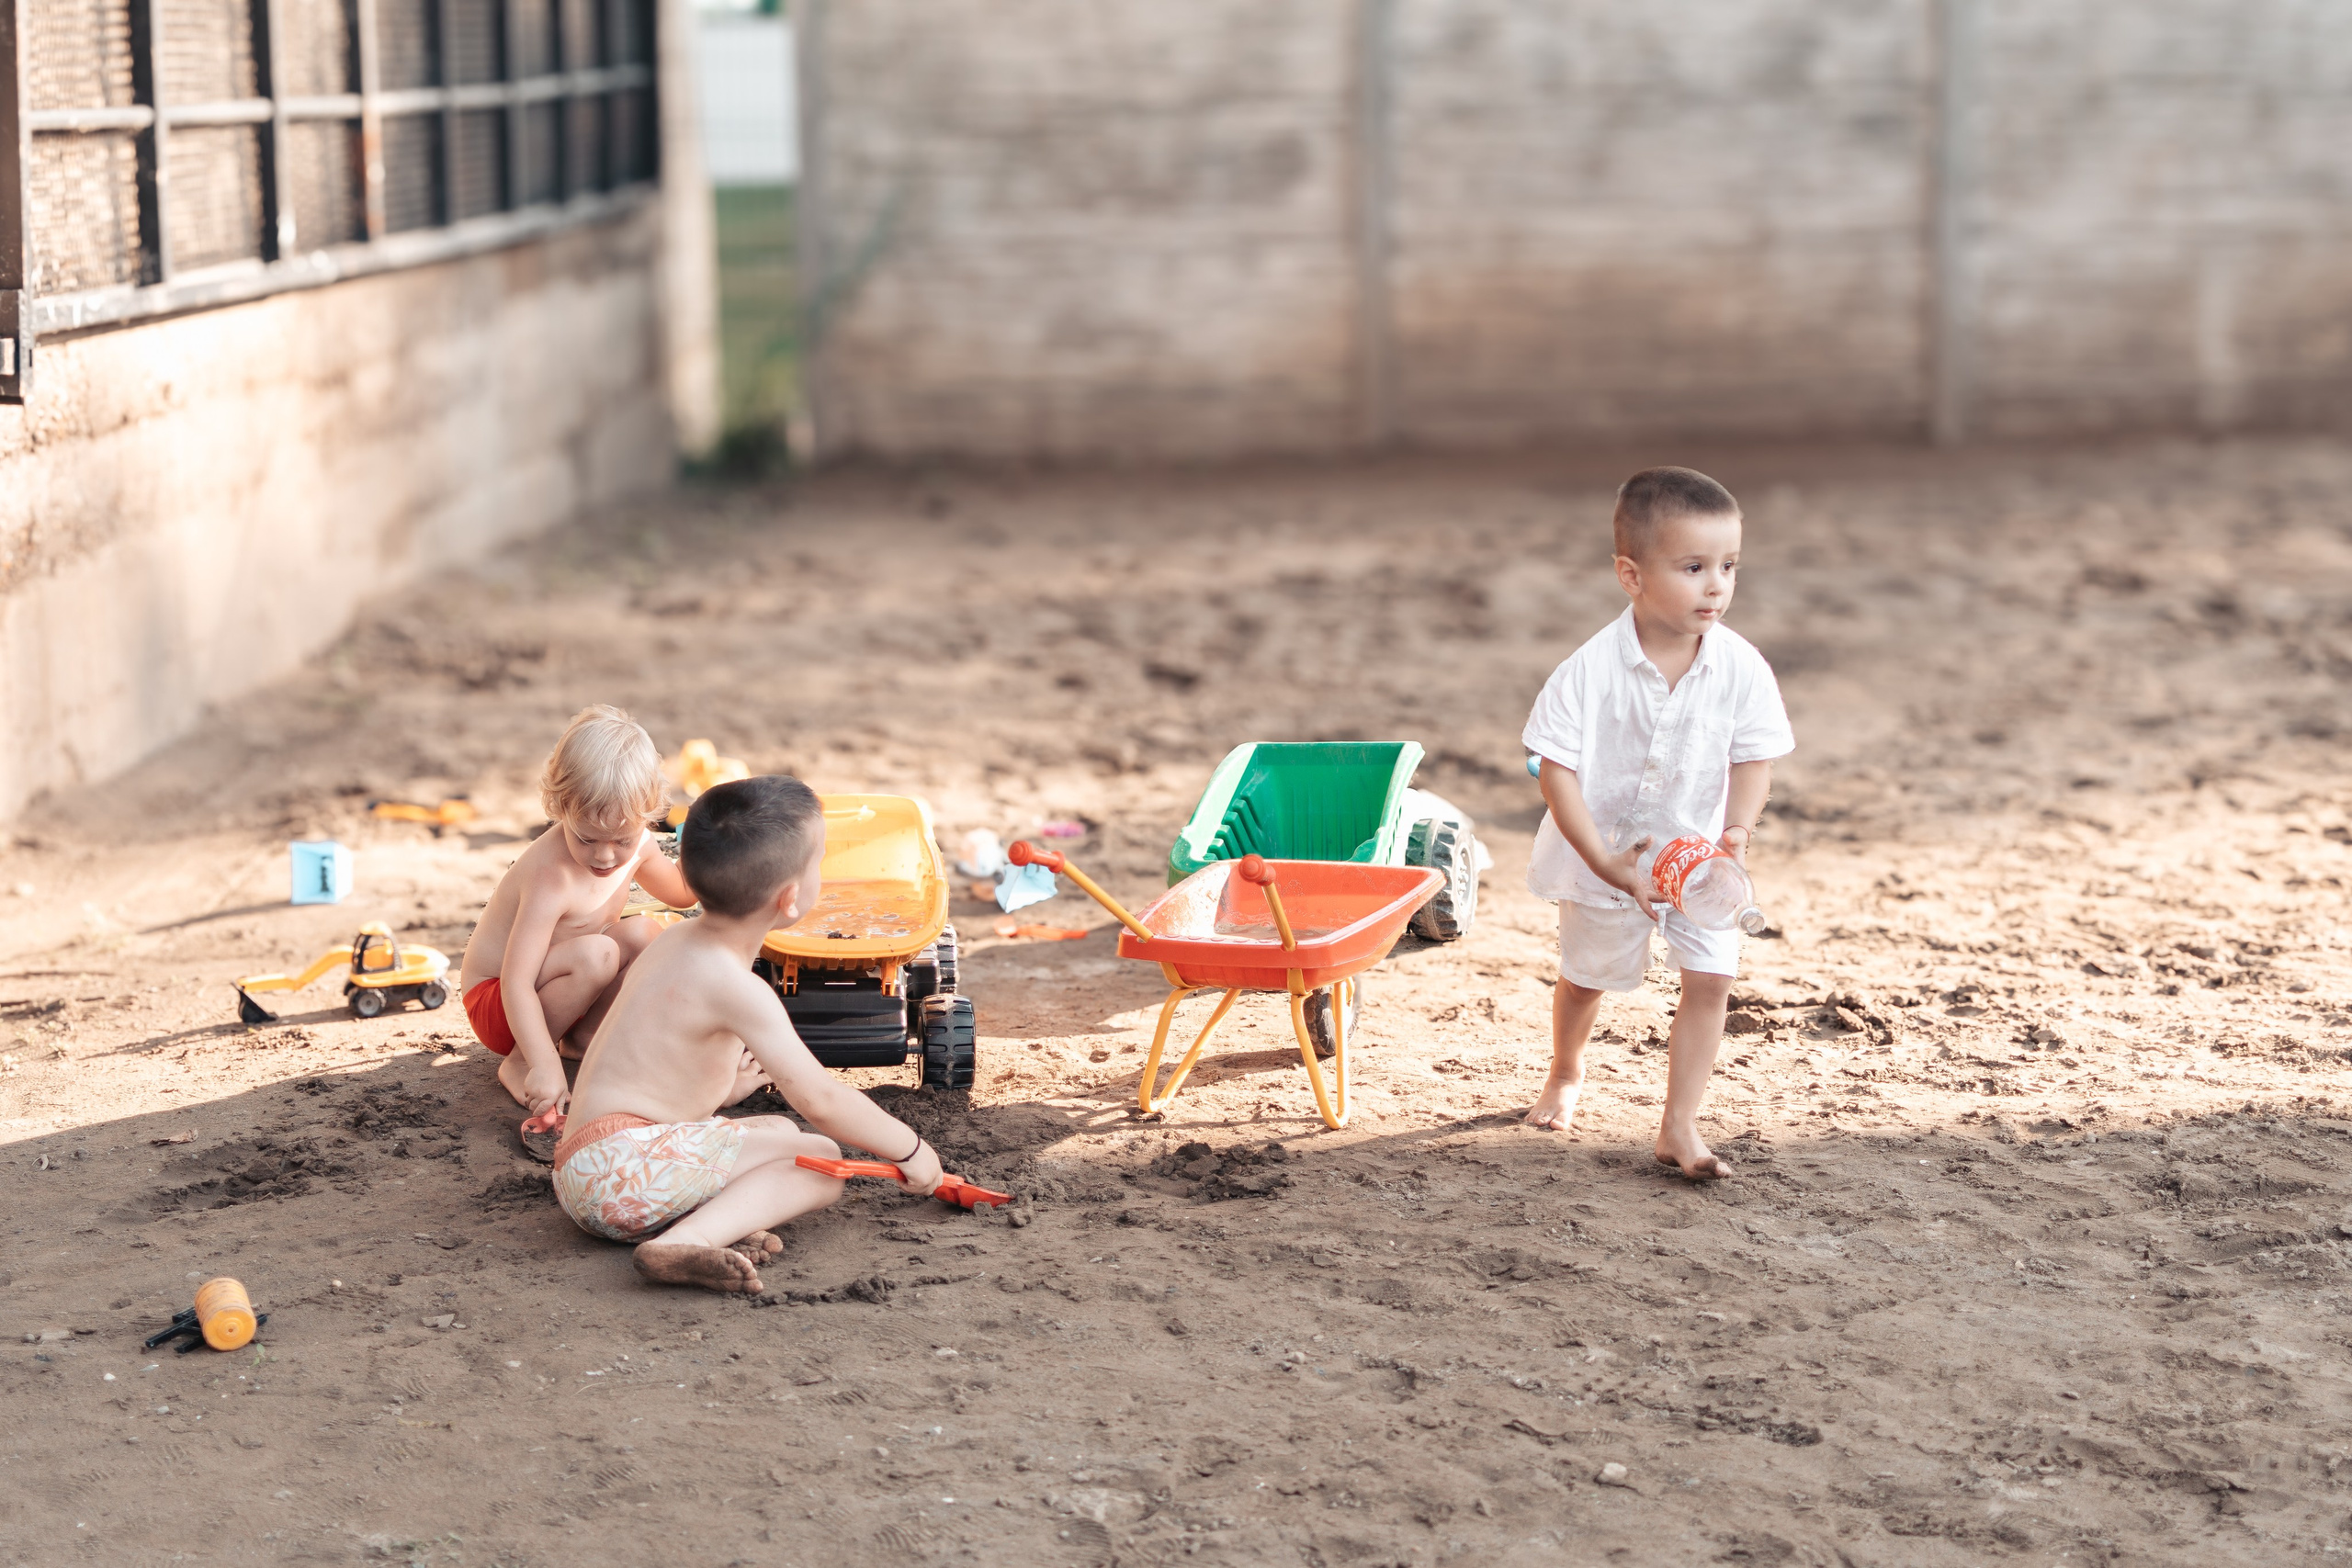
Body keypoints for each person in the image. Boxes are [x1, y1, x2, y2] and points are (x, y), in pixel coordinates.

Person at [552, 773, 944, 1293]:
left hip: (587, 1168)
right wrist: (910, 1149)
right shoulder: (738, 987)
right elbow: (822, 1099)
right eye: (819, 863)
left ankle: (706, 1224)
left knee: (782, 1136)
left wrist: (723, 1089)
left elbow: (657, 1072)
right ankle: (682, 1242)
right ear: (789, 899)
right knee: (822, 1157)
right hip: (625, 1169)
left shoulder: (673, 944)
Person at [1520, 467, 1794, 1179]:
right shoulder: (1587, 672)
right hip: (1605, 855)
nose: (1717, 586)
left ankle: (1680, 1124)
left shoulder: (1741, 667)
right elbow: (1557, 773)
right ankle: (1567, 1067)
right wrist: (1606, 862)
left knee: (1711, 980)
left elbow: (1753, 758)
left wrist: (1735, 835)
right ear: (1631, 576)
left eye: (1729, 567)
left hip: (1699, 858)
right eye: (1694, 567)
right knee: (1587, 978)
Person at [459, 705, 695, 1125]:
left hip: (562, 989)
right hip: (500, 1002)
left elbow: (681, 893)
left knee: (645, 933)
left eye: (621, 840)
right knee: (598, 953)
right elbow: (516, 981)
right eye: (585, 838)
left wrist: (712, 846)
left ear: (648, 816)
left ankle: (581, 1042)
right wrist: (540, 1064)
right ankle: (522, 1063)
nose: (604, 856)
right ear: (559, 809)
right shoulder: (551, 878)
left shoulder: (639, 844)